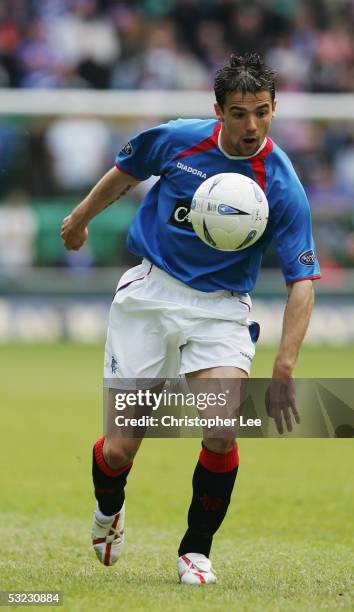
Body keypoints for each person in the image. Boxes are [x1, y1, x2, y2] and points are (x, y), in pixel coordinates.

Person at [61, 53, 321, 584]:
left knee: (222, 429)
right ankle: (109, 511)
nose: (252, 126)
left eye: (263, 113)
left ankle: (195, 551)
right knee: (119, 447)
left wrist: (285, 367)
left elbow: (302, 283)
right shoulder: (178, 141)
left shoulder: (281, 182)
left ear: (275, 109)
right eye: (240, 113)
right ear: (218, 111)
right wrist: (79, 219)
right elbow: (125, 172)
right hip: (151, 296)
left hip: (222, 308)